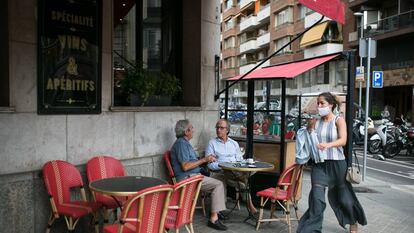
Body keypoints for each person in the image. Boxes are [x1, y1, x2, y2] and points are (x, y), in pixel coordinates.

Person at [297, 92, 367, 233]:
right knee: (317, 198)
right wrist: (309, 129)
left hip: (337, 165)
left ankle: (352, 221)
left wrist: (327, 145)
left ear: (331, 105)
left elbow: (343, 140)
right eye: (318, 103)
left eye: (322, 103)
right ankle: (312, 230)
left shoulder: (338, 120)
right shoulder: (315, 121)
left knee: (344, 198)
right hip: (319, 165)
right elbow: (307, 140)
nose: (319, 106)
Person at [170, 119, 228, 231]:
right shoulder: (181, 144)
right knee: (218, 184)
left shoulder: (184, 143)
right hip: (188, 179)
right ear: (186, 131)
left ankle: (217, 211)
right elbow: (185, 166)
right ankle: (214, 218)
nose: (193, 130)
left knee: (219, 179)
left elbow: (191, 162)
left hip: (193, 176)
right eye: (192, 128)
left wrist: (206, 160)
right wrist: (204, 159)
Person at [205, 119, 257, 213]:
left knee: (245, 179)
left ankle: (249, 204)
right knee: (244, 181)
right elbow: (210, 165)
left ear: (227, 130)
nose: (218, 130)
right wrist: (222, 165)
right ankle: (250, 206)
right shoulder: (212, 143)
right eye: (217, 127)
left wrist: (242, 164)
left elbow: (240, 160)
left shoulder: (234, 143)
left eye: (221, 128)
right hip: (221, 172)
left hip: (235, 171)